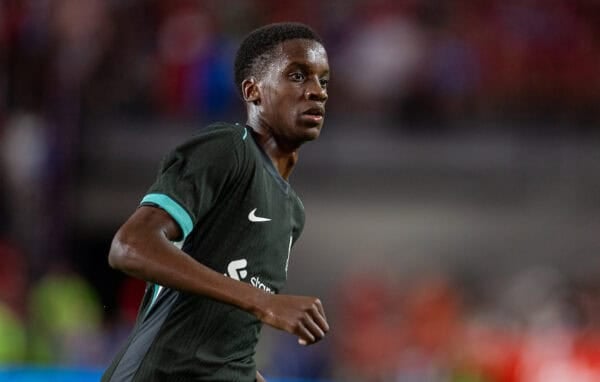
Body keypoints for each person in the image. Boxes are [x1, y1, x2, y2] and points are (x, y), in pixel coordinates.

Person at [101, 22, 330, 382]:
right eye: (298, 76)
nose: (317, 91)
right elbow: (129, 246)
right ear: (253, 91)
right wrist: (265, 303)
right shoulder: (229, 150)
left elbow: (226, 321)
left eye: (323, 81)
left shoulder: (292, 212)